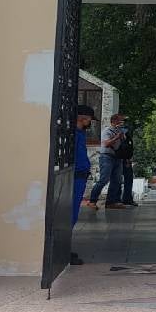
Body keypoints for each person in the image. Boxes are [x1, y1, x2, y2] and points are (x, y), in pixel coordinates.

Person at [85, 113, 128, 210]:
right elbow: (106, 144)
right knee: (104, 179)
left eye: (123, 121)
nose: (122, 123)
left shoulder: (120, 132)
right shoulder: (107, 131)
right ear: (114, 121)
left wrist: (122, 137)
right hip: (107, 157)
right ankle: (92, 201)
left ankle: (111, 202)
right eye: (120, 121)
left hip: (117, 157)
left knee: (117, 180)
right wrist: (117, 137)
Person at [70, 104, 94, 265]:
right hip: (75, 176)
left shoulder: (80, 133)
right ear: (82, 118)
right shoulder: (72, 134)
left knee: (74, 213)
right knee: (70, 213)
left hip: (80, 176)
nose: (90, 122)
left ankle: (64, 246)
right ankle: (61, 249)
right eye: (90, 119)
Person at [116, 121, 138, 206]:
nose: (124, 129)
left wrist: (129, 159)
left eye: (125, 128)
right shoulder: (117, 137)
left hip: (127, 161)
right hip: (119, 160)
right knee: (117, 180)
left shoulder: (128, 137)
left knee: (129, 179)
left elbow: (130, 149)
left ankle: (127, 199)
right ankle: (117, 199)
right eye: (122, 128)